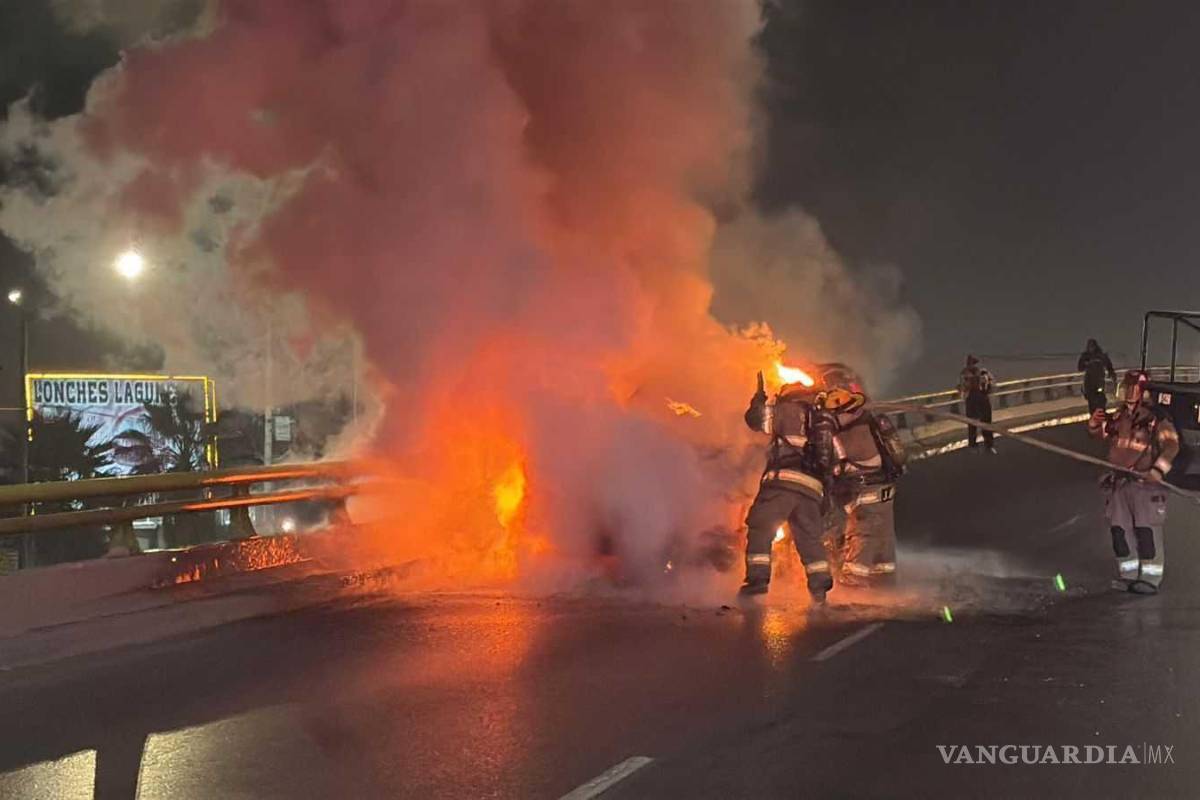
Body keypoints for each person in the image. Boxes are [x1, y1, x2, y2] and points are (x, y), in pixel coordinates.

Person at [741, 370, 838, 602]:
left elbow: (754, 420)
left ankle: (757, 580)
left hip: (783, 482)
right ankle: (819, 586)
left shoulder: (786, 410)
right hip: (812, 489)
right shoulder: (822, 420)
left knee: (761, 526)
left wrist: (759, 398)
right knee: (808, 538)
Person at [816, 363, 908, 587]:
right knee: (883, 540)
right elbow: (898, 453)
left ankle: (853, 588)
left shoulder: (837, 424)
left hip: (864, 490)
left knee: (861, 537)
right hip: (885, 487)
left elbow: (828, 457)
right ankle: (884, 582)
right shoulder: (870, 417)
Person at [1088, 370, 1179, 594]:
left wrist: (1158, 470)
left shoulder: (1156, 419)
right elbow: (1102, 434)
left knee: (1146, 532)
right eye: (1125, 388)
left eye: (1133, 388)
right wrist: (1092, 425)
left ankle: (1150, 579)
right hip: (1119, 484)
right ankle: (1127, 576)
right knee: (1120, 532)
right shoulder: (1120, 418)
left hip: (1145, 486)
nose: (1127, 393)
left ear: (1143, 392)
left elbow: (1172, 446)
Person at [958, 355, 996, 452]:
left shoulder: (983, 373)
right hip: (973, 399)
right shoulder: (965, 374)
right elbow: (962, 388)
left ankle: (988, 444)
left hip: (982, 398)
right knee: (972, 423)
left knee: (985, 422)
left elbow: (992, 384)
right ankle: (974, 444)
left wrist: (987, 385)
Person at [1077, 338, 1117, 413]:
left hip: (1099, 382)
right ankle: (1094, 416)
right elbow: (1080, 367)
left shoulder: (1101, 355)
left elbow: (1109, 365)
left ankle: (1101, 414)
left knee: (1100, 399)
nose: (1091, 348)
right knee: (1091, 401)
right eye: (1090, 346)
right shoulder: (1085, 356)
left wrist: (1111, 374)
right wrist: (1086, 363)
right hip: (1089, 383)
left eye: (1092, 346)